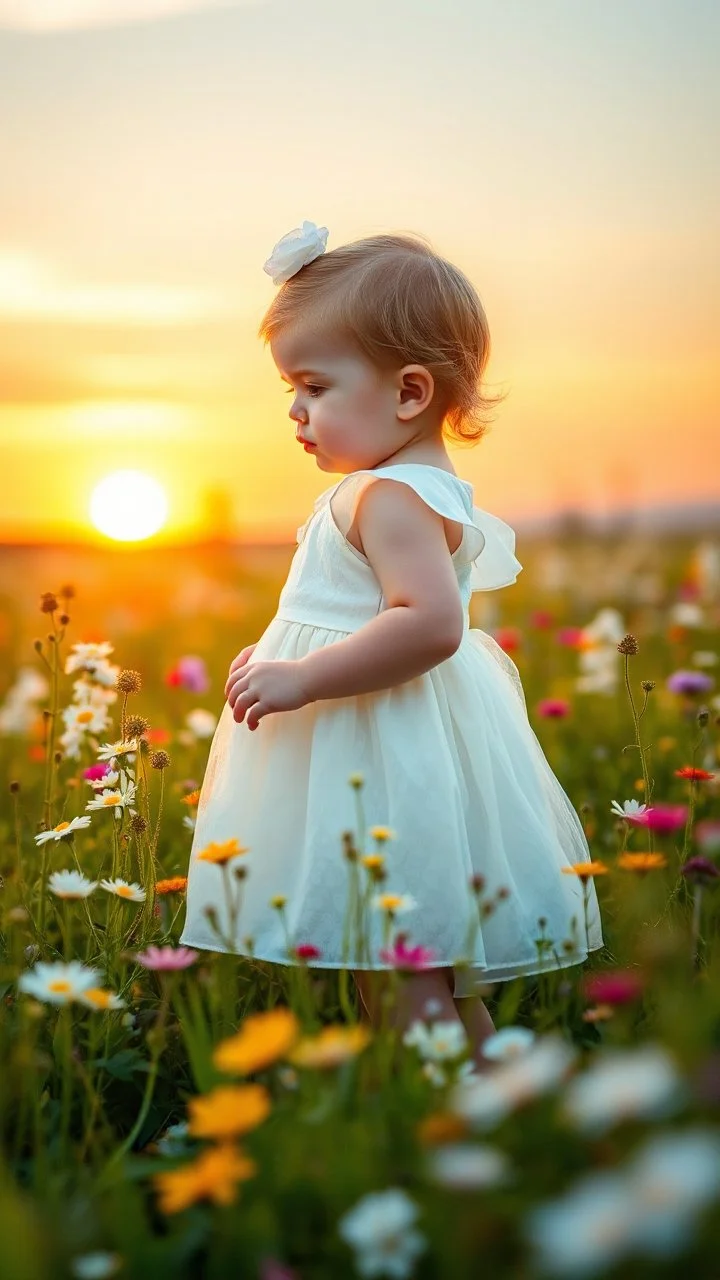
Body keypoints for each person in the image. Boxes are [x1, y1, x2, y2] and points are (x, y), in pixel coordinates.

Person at [179, 221, 604, 1067]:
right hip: (379, 740)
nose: (296, 410)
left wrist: (300, 678)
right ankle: (495, 1100)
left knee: (403, 964)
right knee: (408, 966)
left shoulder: (390, 496)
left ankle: (445, 1124)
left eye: (314, 385)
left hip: (378, 748)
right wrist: (274, 657)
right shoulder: (395, 488)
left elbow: (429, 623)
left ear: (410, 393)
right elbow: (343, 607)